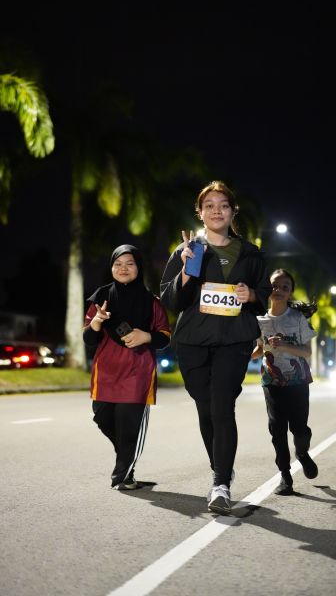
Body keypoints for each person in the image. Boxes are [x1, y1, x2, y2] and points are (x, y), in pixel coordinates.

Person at [160, 180, 271, 514]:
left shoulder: (251, 254)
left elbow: (265, 295)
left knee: (222, 407)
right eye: (209, 205)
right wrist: (185, 270)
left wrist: (251, 295)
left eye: (223, 205)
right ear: (200, 212)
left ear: (233, 211)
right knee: (205, 408)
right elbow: (171, 299)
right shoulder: (187, 249)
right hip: (193, 340)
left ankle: (220, 483)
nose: (216, 211)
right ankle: (220, 466)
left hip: (233, 340)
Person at [83, 244, 171, 490]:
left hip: (137, 372)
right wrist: (97, 322)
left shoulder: (151, 302)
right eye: (118, 264)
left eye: (129, 264)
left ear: (138, 268)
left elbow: (165, 336)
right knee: (102, 417)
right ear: (111, 267)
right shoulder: (100, 299)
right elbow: (88, 339)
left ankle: (123, 474)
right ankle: (125, 453)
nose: (123, 268)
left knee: (129, 426)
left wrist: (146, 336)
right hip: (106, 372)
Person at [252, 268, 318, 496]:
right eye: (274, 286)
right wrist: (246, 355)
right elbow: (259, 350)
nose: (278, 290)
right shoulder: (260, 320)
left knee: (299, 428)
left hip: (298, 381)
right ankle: (285, 476)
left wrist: (283, 345)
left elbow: (307, 352)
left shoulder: (297, 319)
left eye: (284, 287)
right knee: (277, 429)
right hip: (271, 381)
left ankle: (302, 453)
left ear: (290, 292)